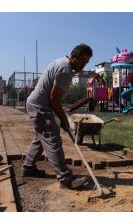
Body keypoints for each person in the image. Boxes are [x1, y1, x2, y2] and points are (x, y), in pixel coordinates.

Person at [22, 43, 93, 189]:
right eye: (81, 61)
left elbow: (53, 98)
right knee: (52, 138)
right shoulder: (65, 70)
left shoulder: (61, 62)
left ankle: (28, 168)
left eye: (85, 63)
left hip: (35, 104)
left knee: (41, 138)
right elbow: (54, 99)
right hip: (40, 107)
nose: (82, 66)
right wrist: (64, 120)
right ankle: (65, 178)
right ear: (73, 57)